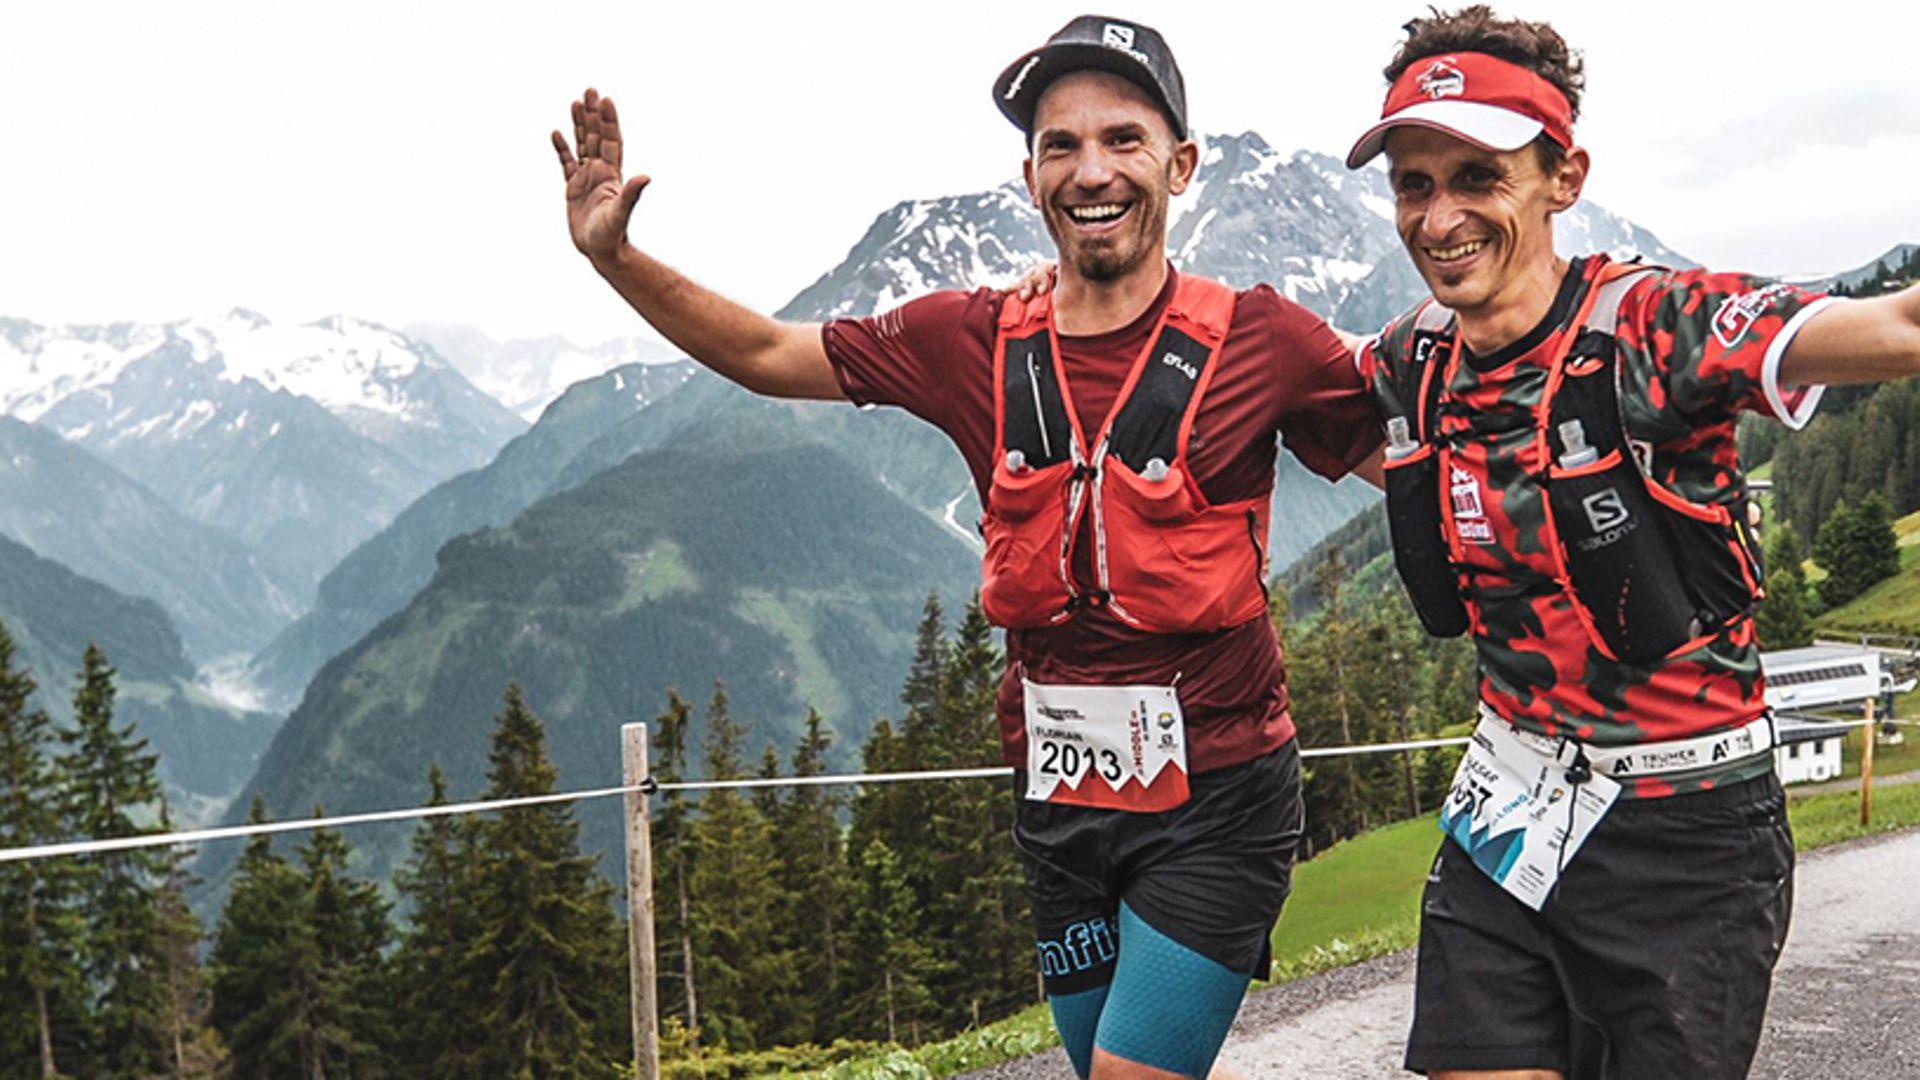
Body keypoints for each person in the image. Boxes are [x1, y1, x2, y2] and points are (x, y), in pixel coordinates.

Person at [552, 14, 1381, 1080]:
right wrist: (615, 257)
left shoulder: (1266, 342)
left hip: (1218, 802)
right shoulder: (971, 341)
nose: (1091, 170)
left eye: (1123, 139)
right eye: (1060, 145)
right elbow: (765, 352)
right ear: (1030, 178)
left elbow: (1420, 469)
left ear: (1180, 165)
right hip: (1059, 804)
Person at [1345, 7, 1920, 1078]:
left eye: (1478, 176)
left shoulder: (1655, 326)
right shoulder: (1411, 360)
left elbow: (1899, 328)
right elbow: (1267, 367)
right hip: (1508, 807)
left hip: (1688, 834)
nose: (1439, 217)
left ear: (1563, 177)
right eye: (1413, 184)